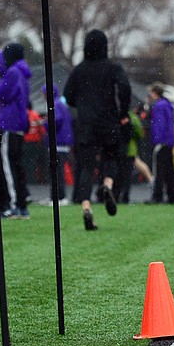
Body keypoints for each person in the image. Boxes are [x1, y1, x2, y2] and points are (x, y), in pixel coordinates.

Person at [63, 29, 130, 231]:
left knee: (85, 167)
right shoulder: (113, 68)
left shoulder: (79, 70)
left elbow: (68, 95)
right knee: (111, 158)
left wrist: (82, 104)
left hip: (86, 124)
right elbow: (125, 87)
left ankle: (86, 206)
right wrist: (122, 111)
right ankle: (107, 186)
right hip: (108, 121)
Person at [0, 43, 31, 219]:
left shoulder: (13, 73)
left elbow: (1, 94)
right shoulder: (22, 73)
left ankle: (15, 205)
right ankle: (21, 205)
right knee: (16, 166)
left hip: (9, 125)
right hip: (18, 125)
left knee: (8, 167)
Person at [147, 84, 174, 204]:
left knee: (159, 170)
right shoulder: (167, 104)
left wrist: (157, 140)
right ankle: (173, 195)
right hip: (169, 141)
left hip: (162, 141)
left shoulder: (159, 106)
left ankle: (157, 196)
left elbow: (159, 124)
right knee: (170, 170)